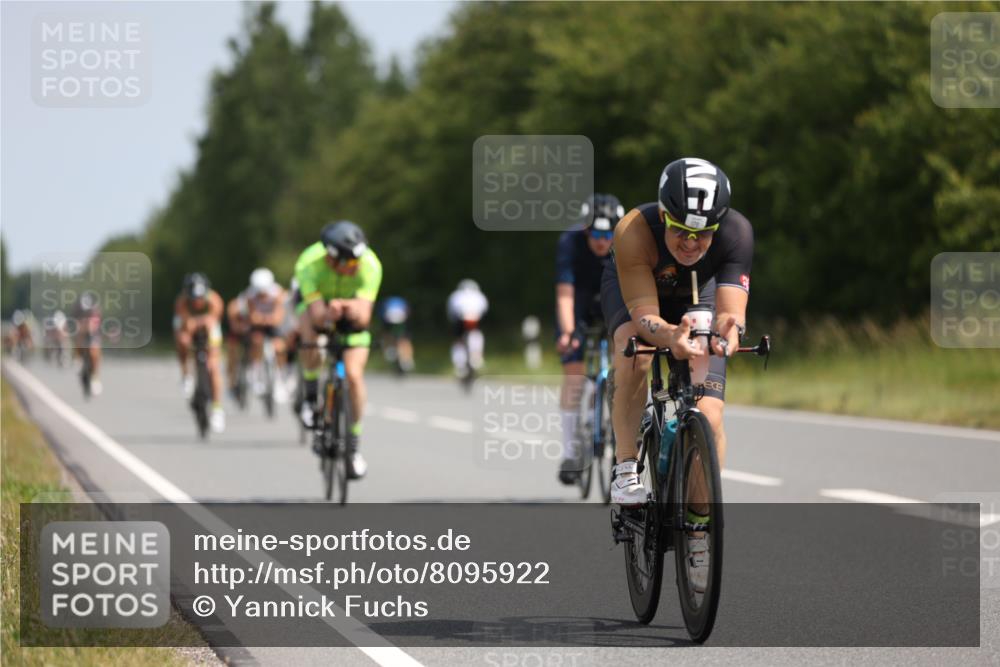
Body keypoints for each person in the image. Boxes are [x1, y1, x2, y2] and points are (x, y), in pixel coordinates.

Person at [603, 158, 752, 591]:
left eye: (703, 234)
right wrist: (671, 336)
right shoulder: (634, 230)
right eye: (681, 231)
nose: (690, 243)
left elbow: (730, 313)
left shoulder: (737, 233)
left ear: (719, 225)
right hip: (639, 293)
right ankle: (626, 465)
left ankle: (699, 531)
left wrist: (728, 333)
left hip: (697, 294)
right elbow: (645, 317)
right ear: (664, 215)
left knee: (711, 415)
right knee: (634, 350)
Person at [295, 221, 383, 479]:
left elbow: (364, 316)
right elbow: (316, 315)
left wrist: (349, 308)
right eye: (349, 262)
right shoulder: (308, 264)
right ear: (331, 259)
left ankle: (353, 447)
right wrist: (328, 313)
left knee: (354, 376)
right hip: (317, 309)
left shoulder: (370, 264)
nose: (355, 267)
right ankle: (311, 396)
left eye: (357, 261)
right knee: (311, 338)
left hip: (352, 318)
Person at [554, 194, 624, 485]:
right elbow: (565, 294)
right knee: (574, 374)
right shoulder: (570, 242)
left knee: (625, 359)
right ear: (585, 231)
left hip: (613, 297)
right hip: (579, 301)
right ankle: (571, 452)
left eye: (608, 236)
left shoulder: (626, 242)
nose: (602, 242)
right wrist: (568, 332)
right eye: (596, 235)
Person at [174, 273, 227, 432]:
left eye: (200, 298)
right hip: (188, 326)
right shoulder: (182, 302)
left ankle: (217, 409)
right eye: (194, 298)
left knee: (214, 366)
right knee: (181, 341)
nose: (197, 301)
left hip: (209, 328)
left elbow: (213, 321)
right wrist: (186, 337)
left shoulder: (214, 300)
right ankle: (186, 375)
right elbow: (183, 326)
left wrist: (212, 352)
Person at [243, 268, 288, 402]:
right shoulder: (250, 294)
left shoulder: (278, 293)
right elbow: (252, 316)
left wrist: (267, 318)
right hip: (259, 325)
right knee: (256, 341)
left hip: (272, 324)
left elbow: (279, 315)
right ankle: (255, 370)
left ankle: (280, 377)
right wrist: (261, 319)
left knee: (279, 347)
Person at [446, 279, 488, 379]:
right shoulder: (480, 296)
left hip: (460, 320)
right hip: (475, 319)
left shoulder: (455, 295)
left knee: (458, 341)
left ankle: (459, 364)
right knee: (477, 335)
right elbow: (484, 310)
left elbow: (451, 311)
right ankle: (476, 357)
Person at [73, 292, 103, 394]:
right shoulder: (78, 312)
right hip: (82, 334)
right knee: (78, 339)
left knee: (95, 352)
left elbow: (98, 326)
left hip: (93, 335)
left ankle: (95, 377)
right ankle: (78, 359)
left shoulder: (95, 312)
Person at [378, 296, 414, 373]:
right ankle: (392, 351)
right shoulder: (388, 306)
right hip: (395, 315)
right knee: (390, 335)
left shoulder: (389, 305)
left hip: (398, 315)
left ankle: (406, 359)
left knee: (403, 338)